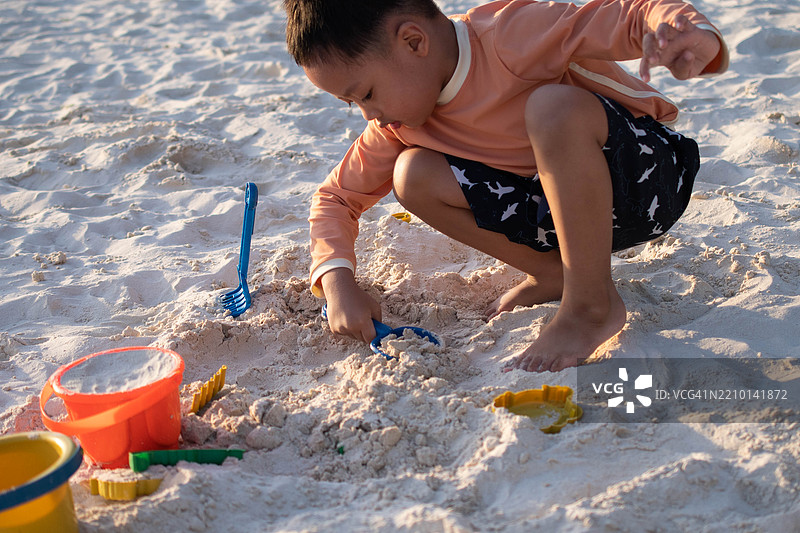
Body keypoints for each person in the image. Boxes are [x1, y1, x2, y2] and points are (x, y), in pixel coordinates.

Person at [283, 0, 728, 372]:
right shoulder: (398, 125)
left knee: (551, 107)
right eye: (352, 104)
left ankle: (591, 306)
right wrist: (337, 283)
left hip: (648, 179)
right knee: (412, 174)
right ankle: (556, 273)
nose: (368, 114)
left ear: (414, 41)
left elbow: (625, 16)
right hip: (567, 220)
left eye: (366, 94)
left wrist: (685, 32)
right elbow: (335, 197)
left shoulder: (508, 36)